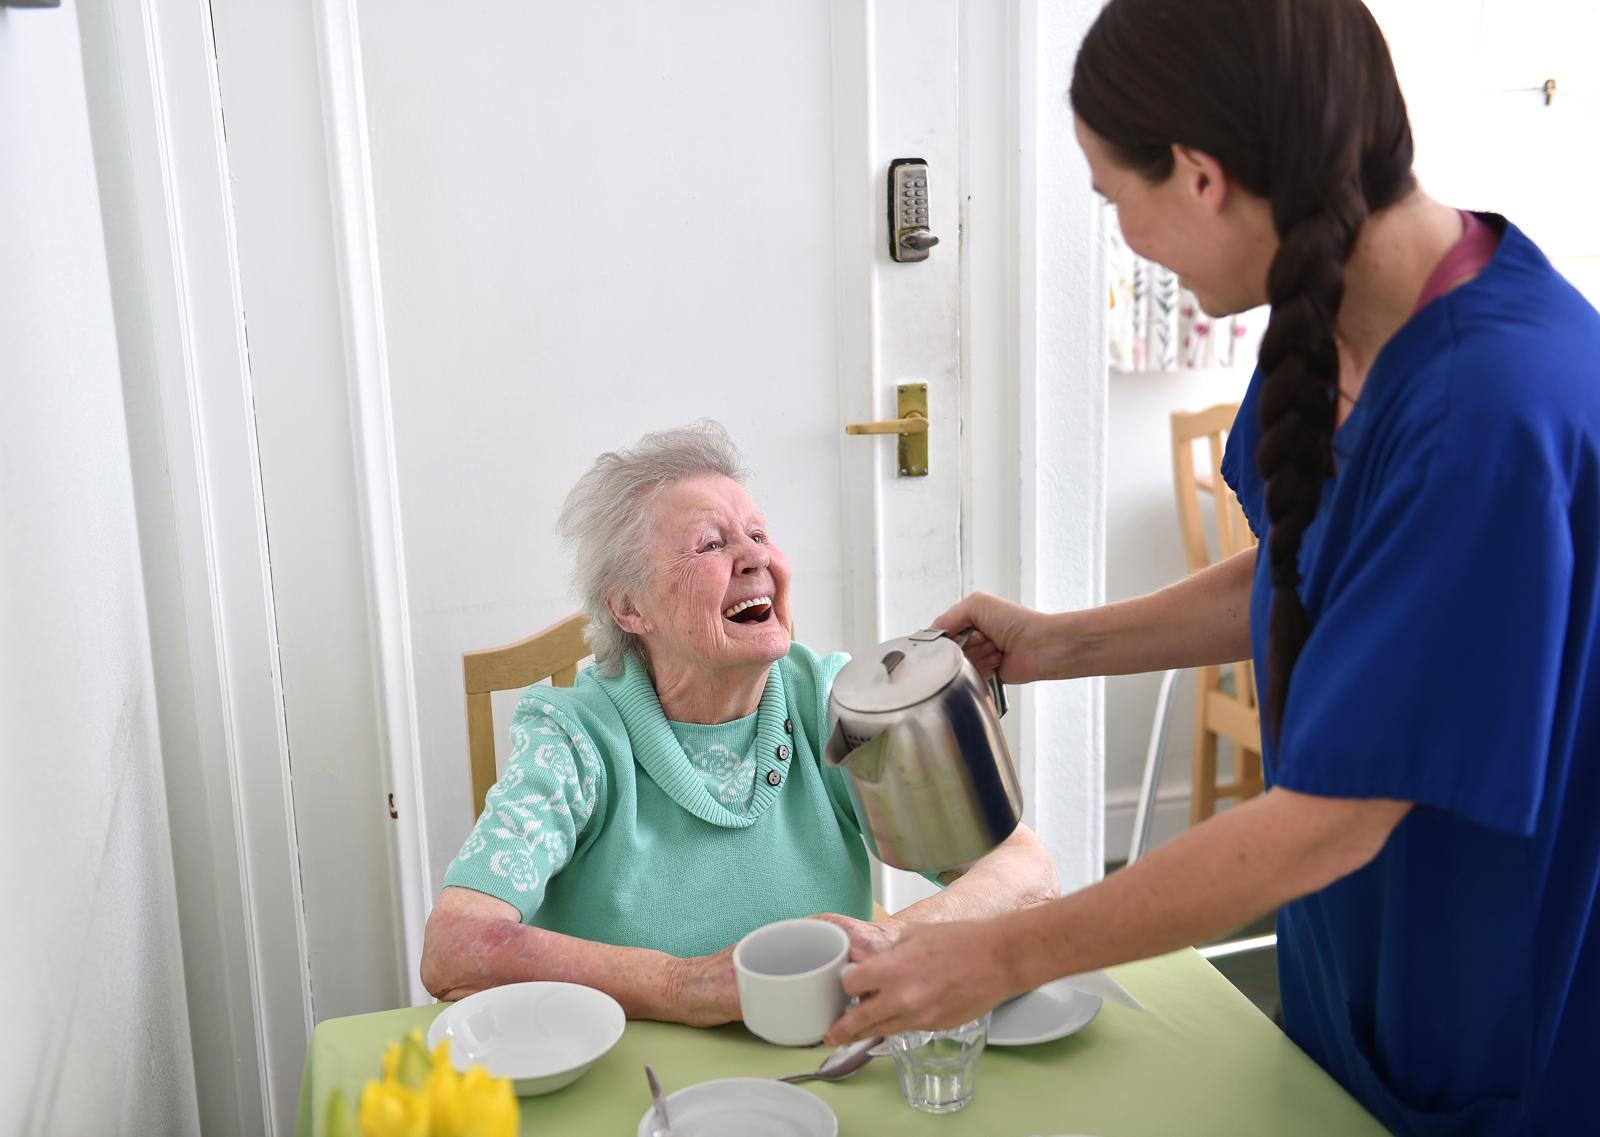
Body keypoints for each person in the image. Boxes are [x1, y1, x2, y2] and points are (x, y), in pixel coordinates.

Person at [824, 1, 1600, 1132]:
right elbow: (1314, 575)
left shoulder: (1489, 415)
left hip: (1490, 1007)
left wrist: (996, 955)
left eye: (1112, 202)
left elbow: (1333, 816)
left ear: (1198, 175)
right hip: (1354, 978)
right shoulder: (1337, 324)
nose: (1123, 240)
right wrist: (1058, 643)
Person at [420, 422, 1058, 1026]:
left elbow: (1025, 867)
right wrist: (687, 985)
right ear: (628, 606)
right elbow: (455, 944)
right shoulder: (576, 737)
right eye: (711, 544)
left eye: (758, 534)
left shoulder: (832, 701)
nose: (755, 558)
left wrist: (892, 937)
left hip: (824, 1062)